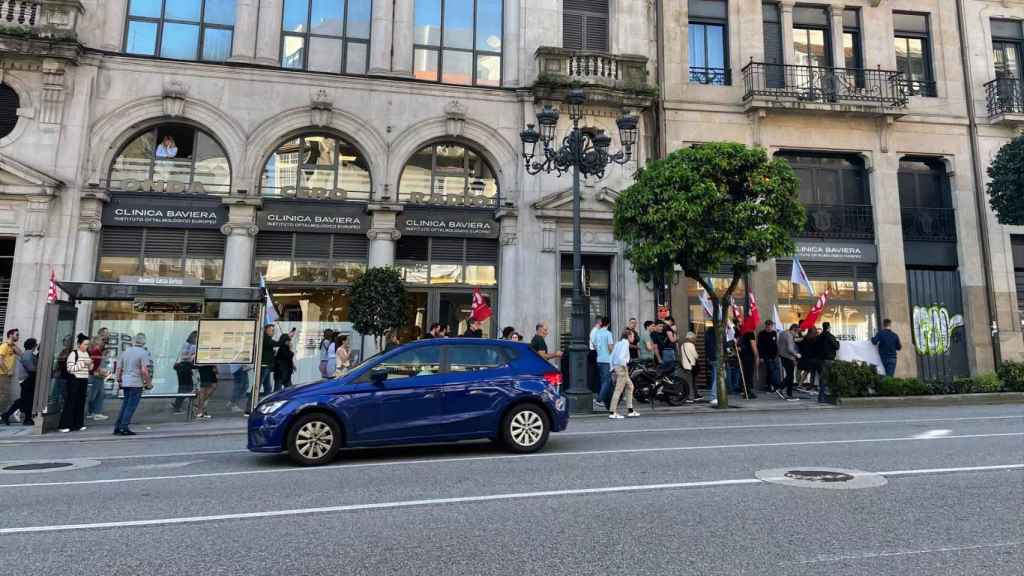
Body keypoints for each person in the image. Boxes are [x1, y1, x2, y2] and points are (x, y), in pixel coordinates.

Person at [113, 333, 151, 436]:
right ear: (144, 342)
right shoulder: (143, 353)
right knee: (131, 406)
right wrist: (148, 383)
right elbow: (144, 371)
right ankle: (124, 427)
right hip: (136, 382)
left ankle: (117, 426)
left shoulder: (125, 352)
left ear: (134, 341)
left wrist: (119, 380)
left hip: (126, 381)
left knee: (125, 405)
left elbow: (119, 368)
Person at [59, 334, 92, 432]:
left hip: (84, 379)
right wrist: (83, 363)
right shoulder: (73, 354)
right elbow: (70, 369)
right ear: (79, 344)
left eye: (87, 344)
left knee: (81, 402)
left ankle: (78, 424)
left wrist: (90, 365)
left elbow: (89, 368)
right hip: (75, 380)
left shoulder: (87, 354)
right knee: (71, 402)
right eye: (85, 344)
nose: (86, 346)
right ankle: (64, 425)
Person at [2, 338, 37, 426]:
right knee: (25, 400)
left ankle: (26, 419)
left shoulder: (27, 353)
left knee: (26, 400)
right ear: (33, 345)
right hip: (27, 380)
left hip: (26, 380)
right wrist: (36, 369)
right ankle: (7, 415)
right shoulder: (28, 354)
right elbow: (30, 367)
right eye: (35, 344)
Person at [608, 329, 640, 419]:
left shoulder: (619, 343)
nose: (634, 337)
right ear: (629, 336)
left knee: (630, 386)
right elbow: (621, 357)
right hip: (622, 368)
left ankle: (630, 410)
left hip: (618, 367)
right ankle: (612, 411)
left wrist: (612, 367)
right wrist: (625, 365)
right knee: (619, 389)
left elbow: (612, 356)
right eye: (633, 336)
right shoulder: (625, 343)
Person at [86, 328, 110, 422]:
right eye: (106, 333)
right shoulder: (97, 351)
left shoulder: (94, 350)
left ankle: (92, 412)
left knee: (95, 394)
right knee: (98, 394)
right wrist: (101, 372)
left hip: (95, 374)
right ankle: (96, 412)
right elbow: (95, 364)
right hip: (96, 374)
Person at [172, 331, 198, 414]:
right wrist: (192, 356)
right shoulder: (192, 346)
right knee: (187, 388)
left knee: (183, 387)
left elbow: (182, 356)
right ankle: (177, 406)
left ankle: (177, 404)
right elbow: (187, 358)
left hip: (181, 367)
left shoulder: (186, 344)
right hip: (185, 368)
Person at [816, 322, 841, 403]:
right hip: (829, 359)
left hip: (821, 360)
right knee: (831, 378)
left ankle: (821, 397)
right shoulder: (830, 336)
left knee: (823, 378)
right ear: (829, 327)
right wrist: (837, 342)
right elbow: (836, 347)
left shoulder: (819, 337)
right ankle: (829, 396)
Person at [593, 317, 614, 409]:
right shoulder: (608, 333)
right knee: (607, 381)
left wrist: (599, 352)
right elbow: (610, 347)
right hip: (607, 360)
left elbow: (594, 345)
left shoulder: (597, 333)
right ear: (608, 324)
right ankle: (599, 400)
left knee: (603, 381)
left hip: (599, 359)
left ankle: (605, 400)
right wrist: (614, 356)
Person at [0, 328, 22, 417]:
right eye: (17, 335)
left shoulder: (11, 347)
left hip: (6, 376)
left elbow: (21, 353)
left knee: (4, 395)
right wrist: (7, 371)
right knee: (3, 396)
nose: (18, 336)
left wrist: (13, 345)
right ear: (10, 335)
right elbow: (0, 360)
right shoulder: (4, 346)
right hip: (2, 375)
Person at [757, 320, 781, 396]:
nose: (769, 327)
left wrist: (778, 353)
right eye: (768, 326)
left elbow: (776, 344)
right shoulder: (761, 334)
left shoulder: (774, 333)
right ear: (766, 326)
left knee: (773, 370)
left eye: (771, 325)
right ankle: (774, 385)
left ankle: (770, 385)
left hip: (774, 355)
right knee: (771, 370)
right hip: (766, 355)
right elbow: (759, 346)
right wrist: (760, 356)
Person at [778, 323, 801, 400]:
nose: (796, 334)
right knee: (790, 375)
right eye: (796, 332)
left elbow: (779, 344)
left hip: (782, 356)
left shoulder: (782, 333)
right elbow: (790, 349)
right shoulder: (789, 335)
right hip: (788, 357)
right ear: (793, 330)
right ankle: (780, 388)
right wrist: (796, 354)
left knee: (790, 375)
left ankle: (788, 392)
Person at [798, 327, 821, 397]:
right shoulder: (815, 339)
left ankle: (800, 384)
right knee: (812, 372)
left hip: (805, 357)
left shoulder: (805, 338)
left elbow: (801, 345)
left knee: (807, 371)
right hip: (812, 358)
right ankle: (812, 385)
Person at [680, 331, 700, 402]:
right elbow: (696, 356)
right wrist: (698, 356)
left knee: (688, 382)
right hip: (691, 366)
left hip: (685, 366)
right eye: (694, 338)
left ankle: (694, 395)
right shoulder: (691, 345)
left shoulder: (682, 345)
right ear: (690, 338)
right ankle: (690, 398)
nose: (694, 339)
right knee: (690, 383)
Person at [259, 325, 278, 397]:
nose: (273, 332)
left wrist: (273, 352)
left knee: (268, 387)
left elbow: (266, 351)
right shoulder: (266, 338)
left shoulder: (268, 339)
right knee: (258, 386)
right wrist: (286, 337)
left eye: (273, 330)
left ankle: (267, 403)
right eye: (272, 330)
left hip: (267, 366)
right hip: (264, 366)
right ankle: (250, 404)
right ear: (266, 330)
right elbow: (277, 343)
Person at [739, 330, 758, 399]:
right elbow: (753, 345)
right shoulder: (750, 333)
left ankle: (745, 391)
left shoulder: (743, 332)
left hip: (743, 355)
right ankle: (748, 391)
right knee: (749, 374)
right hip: (749, 356)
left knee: (746, 374)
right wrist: (756, 355)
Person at [704, 325, 718, 398]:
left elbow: (706, 348)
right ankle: (713, 395)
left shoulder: (707, 336)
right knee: (717, 377)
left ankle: (714, 395)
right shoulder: (717, 336)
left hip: (711, 358)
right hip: (717, 357)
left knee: (714, 376)